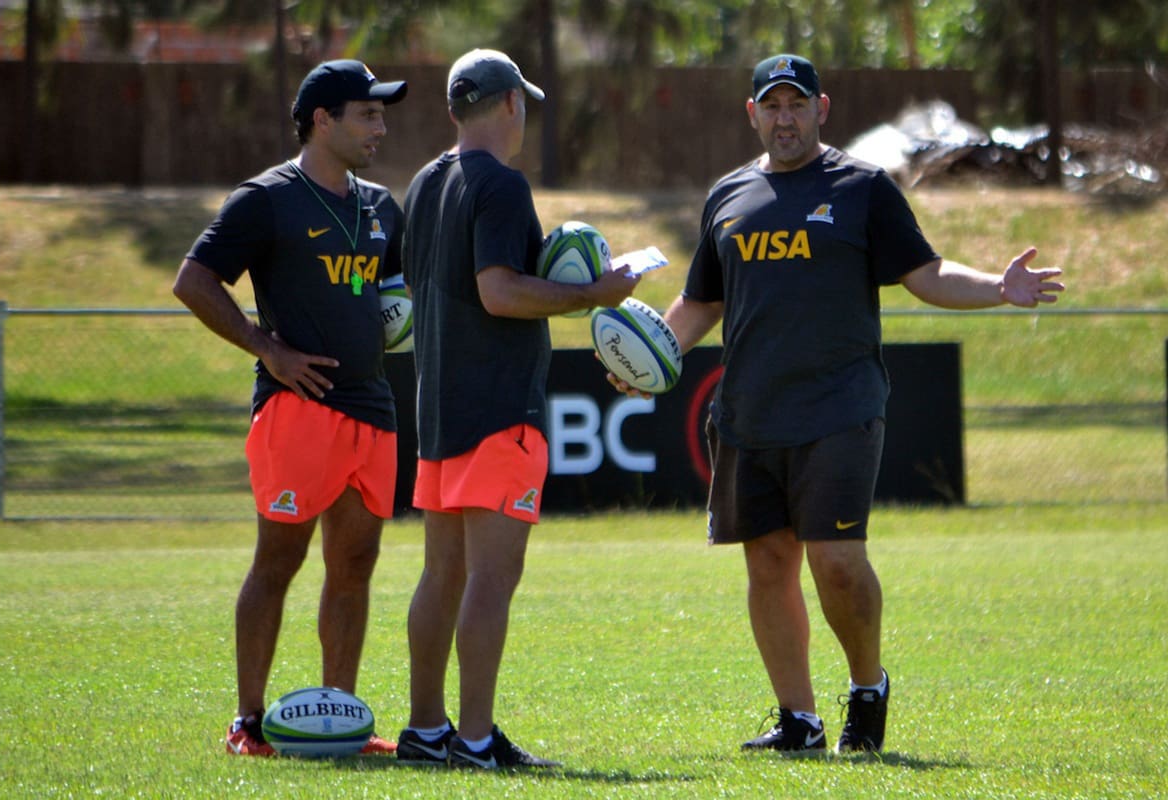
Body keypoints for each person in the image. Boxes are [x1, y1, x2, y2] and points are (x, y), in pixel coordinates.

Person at [614, 54, 1065, 755]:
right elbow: (702, 300)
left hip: (839, 406)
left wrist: (998, 288)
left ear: (822, 109)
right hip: (749, 411)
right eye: (773, 105)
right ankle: (799, 721)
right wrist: (649, 359)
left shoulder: (862, 188)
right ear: (753, 112)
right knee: (767, 562)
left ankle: (866, 688)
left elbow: (927, 273)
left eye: (798, 104)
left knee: (836, 560)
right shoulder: (729, 195)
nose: (785, 117)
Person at [395, 48, 640, 769]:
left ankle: (427, 730)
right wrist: (590, 295)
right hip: (499, 406)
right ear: (510, 105)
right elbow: (500, 291)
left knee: (441, 574)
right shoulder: (500, 185)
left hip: (438, 407)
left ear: (453, 108)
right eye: (524, 103)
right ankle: (474, 740)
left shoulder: (424, 181)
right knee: (490, 579)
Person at [172, 59, 409, 757]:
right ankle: (248, 722)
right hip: (296, 407)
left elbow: (393, 296)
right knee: (278, 560)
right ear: (322, 119)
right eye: (367, 114)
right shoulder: (269, 197)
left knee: (356, 564)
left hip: (374, 406)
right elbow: (194, 280)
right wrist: (264, 346)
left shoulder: (381, 205)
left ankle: (341, 718)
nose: (380, 126)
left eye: (382, 114)